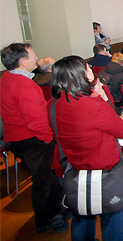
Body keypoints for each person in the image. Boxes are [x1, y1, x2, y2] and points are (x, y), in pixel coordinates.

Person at [49, 55, 123, 240]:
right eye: (88, 68)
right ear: (83, 74)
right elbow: (122, 130)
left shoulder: (55, 103)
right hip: (103, 169)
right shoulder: (92, 105)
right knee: (113, 217)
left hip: (75, 167)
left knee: (82, 217)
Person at [0, 43, 68, 234]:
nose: (36, 59)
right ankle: (48, 218)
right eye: (33, 56)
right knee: (45, 179)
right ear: (22, 61)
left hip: (15, 137)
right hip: (32, 139)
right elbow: (35, 122)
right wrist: (49, 140)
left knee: (45, 178)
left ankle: (55, 211)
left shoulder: (6, 78)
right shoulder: (25, 86)